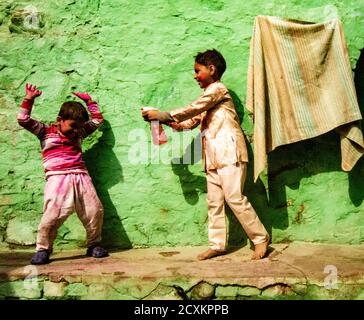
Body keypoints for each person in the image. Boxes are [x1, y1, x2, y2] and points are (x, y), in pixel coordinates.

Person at [142, 49, 270, 260]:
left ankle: (260, 239)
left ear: (211, 69)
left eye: (197, 71)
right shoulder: (207, 99)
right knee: (214, 202)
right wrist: (160, 120)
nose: (194, 76)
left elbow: (193, 108)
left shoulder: (218, 89)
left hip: (230, 154)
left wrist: (163, 114)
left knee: (234, 198)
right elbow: (187, 123)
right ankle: (217, 245)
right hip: (212, 158)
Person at [17, 83, 109, 265]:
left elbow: (98, 120)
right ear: (59, 119)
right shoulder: (45, 131)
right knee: (52, 214)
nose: (76, 130)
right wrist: (29, 99)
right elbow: (23, 119)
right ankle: (43, 249)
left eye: (79, 127)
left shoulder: (80, 132)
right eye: (73, 125)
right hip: (57, 178)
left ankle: (93, 244)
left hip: (81, 176)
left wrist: (89, 101)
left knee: (94, 210)